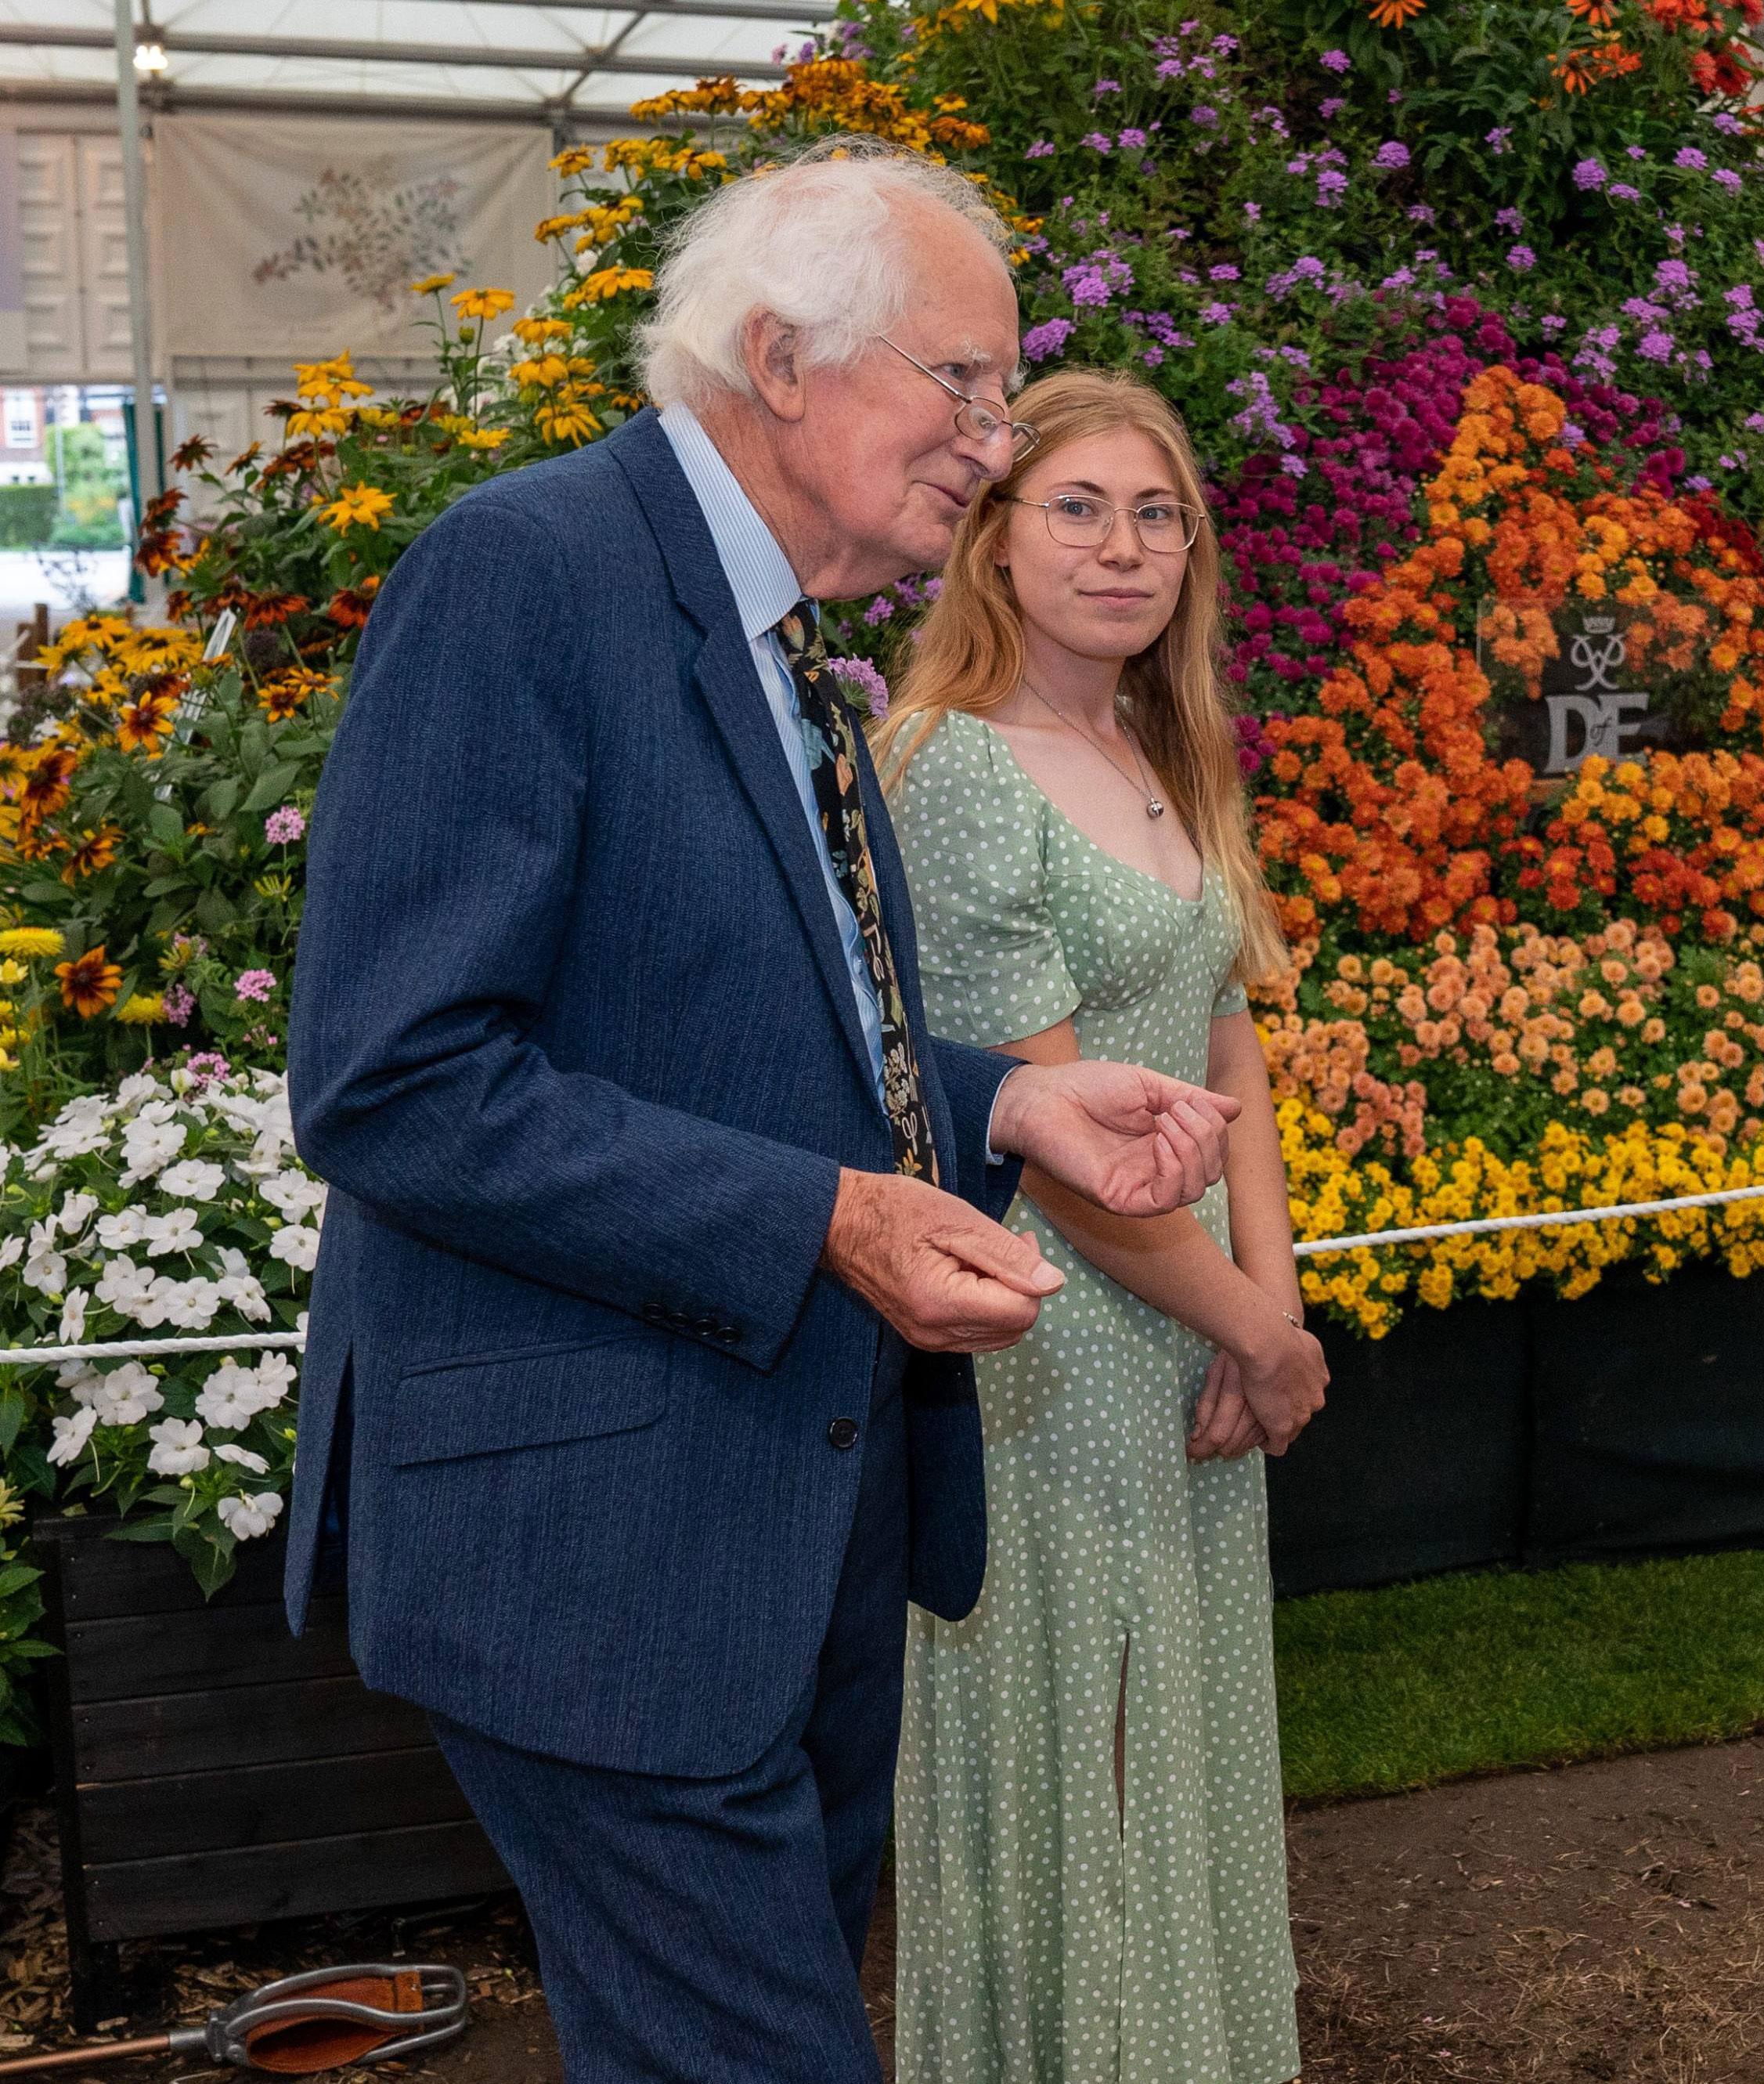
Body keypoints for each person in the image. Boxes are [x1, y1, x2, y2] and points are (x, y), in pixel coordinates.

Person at [282, 140, 1240, 2084]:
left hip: (786, 1524)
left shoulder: (794, 648)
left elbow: (779, 1039)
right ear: (784, 358)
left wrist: (1004, 1114)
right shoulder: (527, 576)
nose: (990, 434)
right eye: (961, 382)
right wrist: (825, 1217)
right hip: (597, 1551)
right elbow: (393, 1078)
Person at [873, 371, 1315, 2083]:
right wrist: (1260, 1334)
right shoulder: (955, 769)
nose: (1122, 546)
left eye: (1157, 513)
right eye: (1075, 506)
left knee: (1179, 1749)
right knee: (1093, 1752)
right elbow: (1047, 1137)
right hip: (1049, 1347)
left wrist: (1263, 1310)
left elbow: (1228, 1041)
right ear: (988, 538)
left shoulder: (1164, 742)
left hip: (1194, 1342)